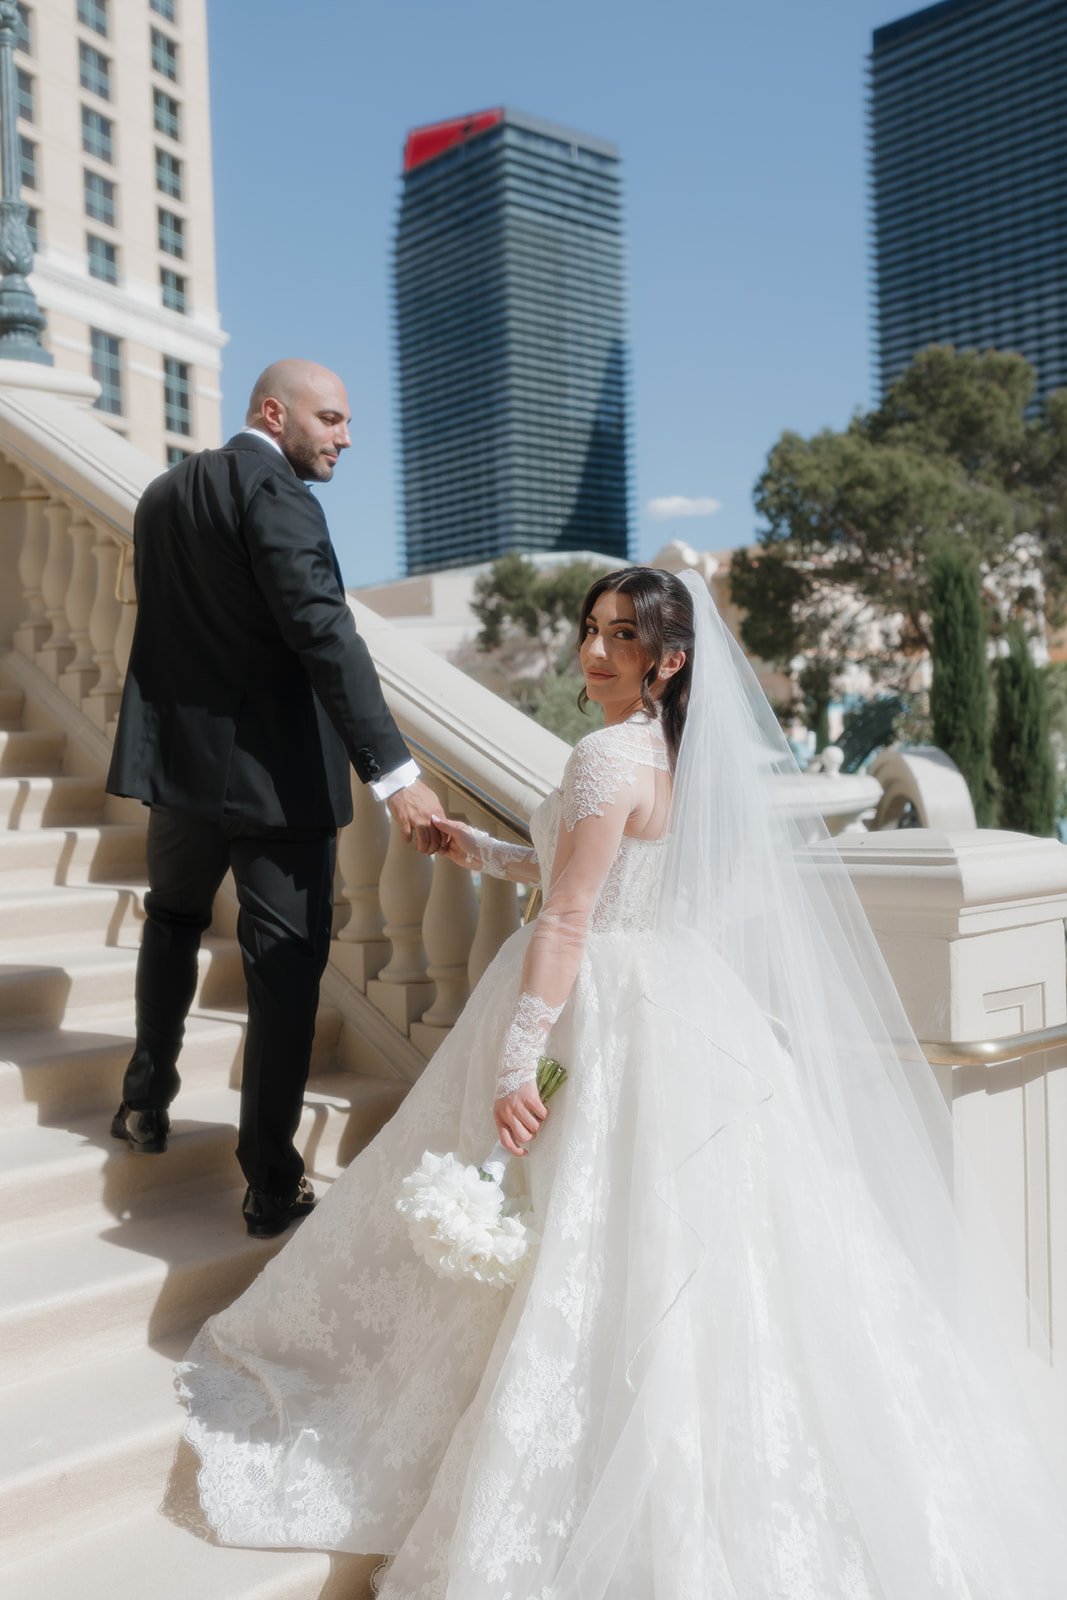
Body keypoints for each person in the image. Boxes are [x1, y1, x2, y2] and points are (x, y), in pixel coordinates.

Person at [176, 567, 1067, 1595]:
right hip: (675, 996)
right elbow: (583, 871)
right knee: (662, 1243)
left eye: (622, 638)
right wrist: (482, 850)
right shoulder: (676, 757)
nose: (595, 654)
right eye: (590, 630)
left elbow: (568, 917)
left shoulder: (605, 752)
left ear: (669, 660)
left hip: (597, 1007)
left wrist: (519, 1056)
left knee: (590, 1232)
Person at [106, 359, 443, 1239]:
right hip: (277, 781)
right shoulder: (281, 496)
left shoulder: (164, 495)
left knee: (173, 924)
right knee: (282, 978)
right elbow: (324, 633)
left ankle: (144, 1104)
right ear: (274, 412)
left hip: (182, 769)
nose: (344, 438)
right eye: (330, 419)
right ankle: (269, 1181)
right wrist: (396, 774)